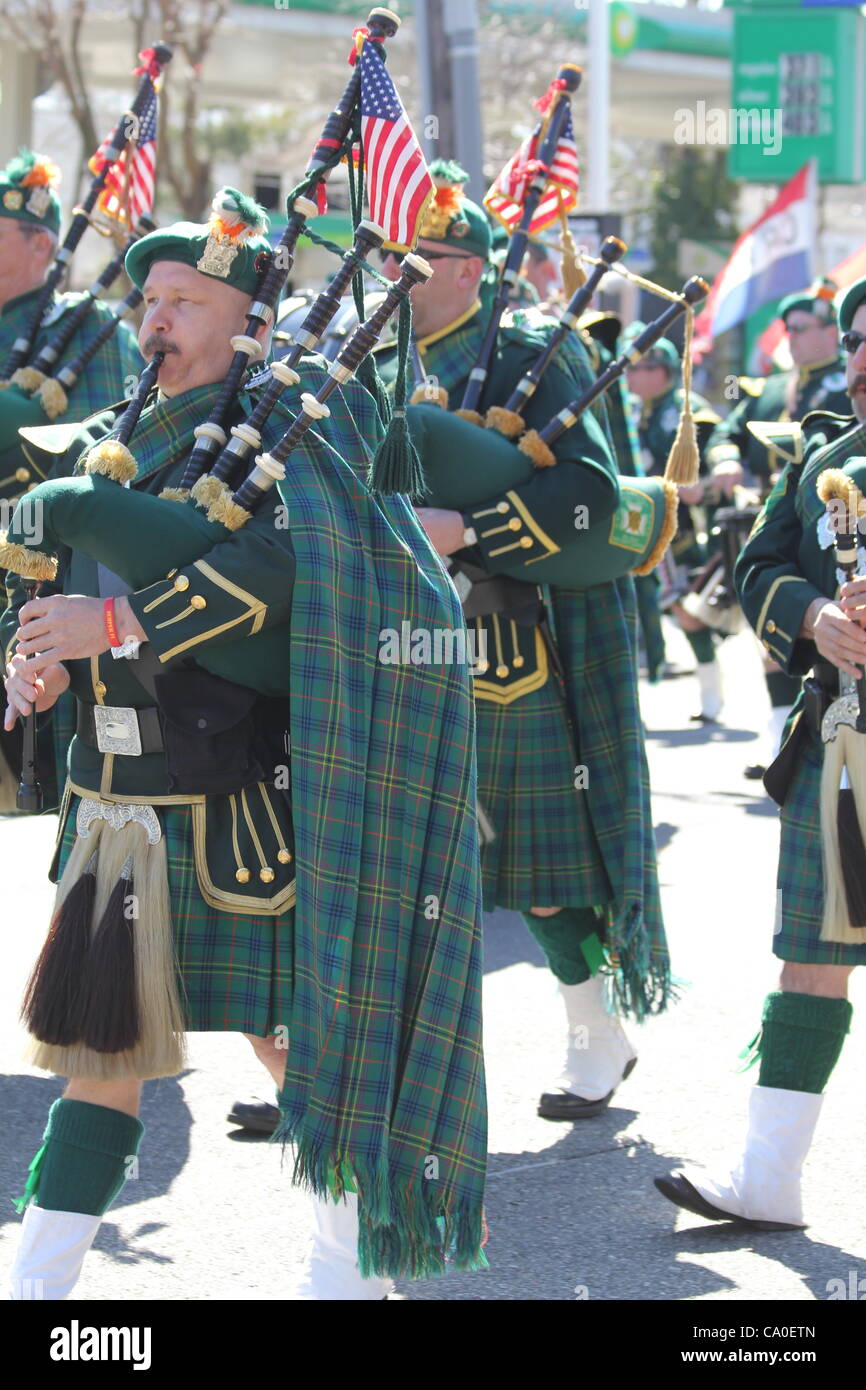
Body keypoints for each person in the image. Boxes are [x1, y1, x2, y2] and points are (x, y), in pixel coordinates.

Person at [2, 191, 486, 1300]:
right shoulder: (100, 435)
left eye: (185, 299)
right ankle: (37, 1293)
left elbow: (293, 570)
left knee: (288, 1044)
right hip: (111, 797)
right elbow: (34, 573)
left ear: (247, 320)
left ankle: (346, 1278)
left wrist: (118, 625)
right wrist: (26, 656)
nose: (156, 317)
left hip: (229, 792)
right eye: (149, 298)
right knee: (99, 1063)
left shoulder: (293, 424)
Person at [381, 163, 672, 1119]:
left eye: (417, 259)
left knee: (544, 878)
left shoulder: (536, 350)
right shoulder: (369, 356)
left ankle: (596, 1032)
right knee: (381, 868)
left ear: (469, 269)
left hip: (508, 650)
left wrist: (465, 531)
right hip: (383, 649)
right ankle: (338, 1061)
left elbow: (590, 499)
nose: (398, 274)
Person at [654, 275, 866, 1230]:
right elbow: (759, 565)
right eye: (855, 341)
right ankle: (769, 1179)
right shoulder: (829, 456)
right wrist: (815, 615)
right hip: (846, 745)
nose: (860, 361)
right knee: (813, 958)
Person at [0, 150, 142, 811]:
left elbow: (103, 461)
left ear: (42, 243)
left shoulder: (86, 328)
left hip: (31, 559)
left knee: (35, 748)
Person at [705, 279, 851, 778]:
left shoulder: (840, 394)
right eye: (786, 328)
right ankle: (776, 739)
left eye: (802, 328)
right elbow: (726, 431)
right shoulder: (769, 391)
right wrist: (725, 460)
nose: (791, 337)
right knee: (770, 643)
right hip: (779, 517)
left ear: (829, 334)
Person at [624, 333, 724, 719]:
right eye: (629, 368)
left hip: (681, 530)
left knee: (689, 610)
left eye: (640, 368)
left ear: (663, 370)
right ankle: (636, 703)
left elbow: (716, 455)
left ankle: (712, 697)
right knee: (638, 609)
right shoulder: (631, 408)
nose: (631, 376)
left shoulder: (687, 409)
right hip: (635, 524)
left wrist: (707, 479)